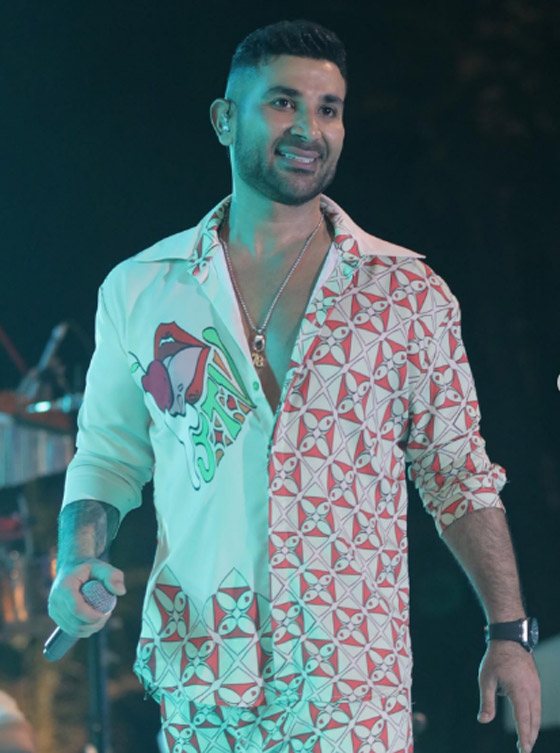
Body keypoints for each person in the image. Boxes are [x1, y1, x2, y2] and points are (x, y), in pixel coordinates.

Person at [47, 19, 540, 753]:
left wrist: (509, 632)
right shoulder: (143, 288)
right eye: (283, 102)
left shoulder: (406, 292)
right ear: (225, 119)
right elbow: (108, 456)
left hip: (352, 685)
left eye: (328, 108)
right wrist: (77, 558)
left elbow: (457, 473)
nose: (308, 128)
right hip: (203, 676)